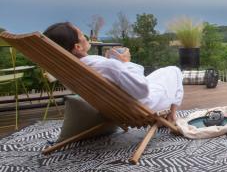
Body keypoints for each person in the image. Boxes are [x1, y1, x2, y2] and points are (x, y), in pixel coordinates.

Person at [43, 22, 183, 123]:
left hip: (115, 109)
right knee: (174, 71)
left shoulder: (73, 70)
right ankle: (171, 117)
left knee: (165, 73)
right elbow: (143, 90)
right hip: (143, 106)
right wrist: (126, 63)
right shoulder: (108, 66)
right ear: (78, 47)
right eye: (81, 34)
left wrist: (116, 64)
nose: (85, 36)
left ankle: (170, 116)